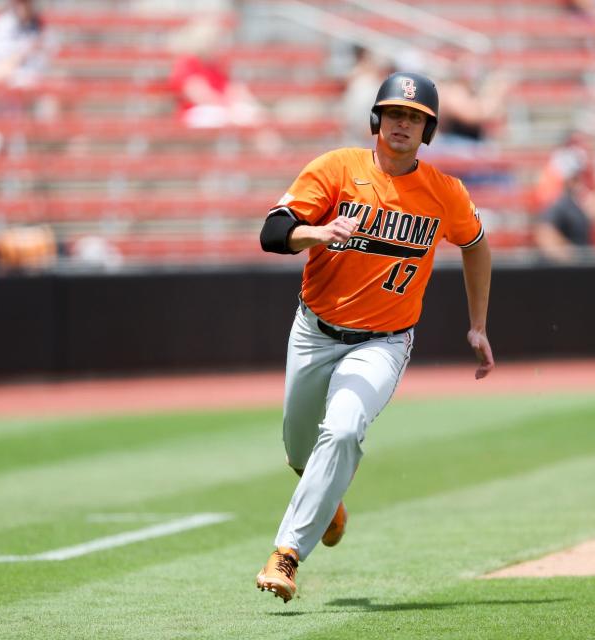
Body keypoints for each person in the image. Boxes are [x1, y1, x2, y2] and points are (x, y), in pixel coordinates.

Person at [255, 71, 494, 603]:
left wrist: (478, 323)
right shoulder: (337, 169)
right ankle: (326, 500)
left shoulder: (444, 192)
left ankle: (286, 554)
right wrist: (315, 232)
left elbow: (476, 244)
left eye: (415, 117)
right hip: (314, 332)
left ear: (428, 129)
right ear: (376, 119)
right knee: (300, 449)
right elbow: (272, 231)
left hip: (384, 342)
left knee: (341, 432)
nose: (403, 123)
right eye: (395, 113)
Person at [533, 146, 595, 263]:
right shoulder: (558, 203)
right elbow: (545, 235)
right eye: (577, 176)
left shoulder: (578, 201)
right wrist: (574, 259)